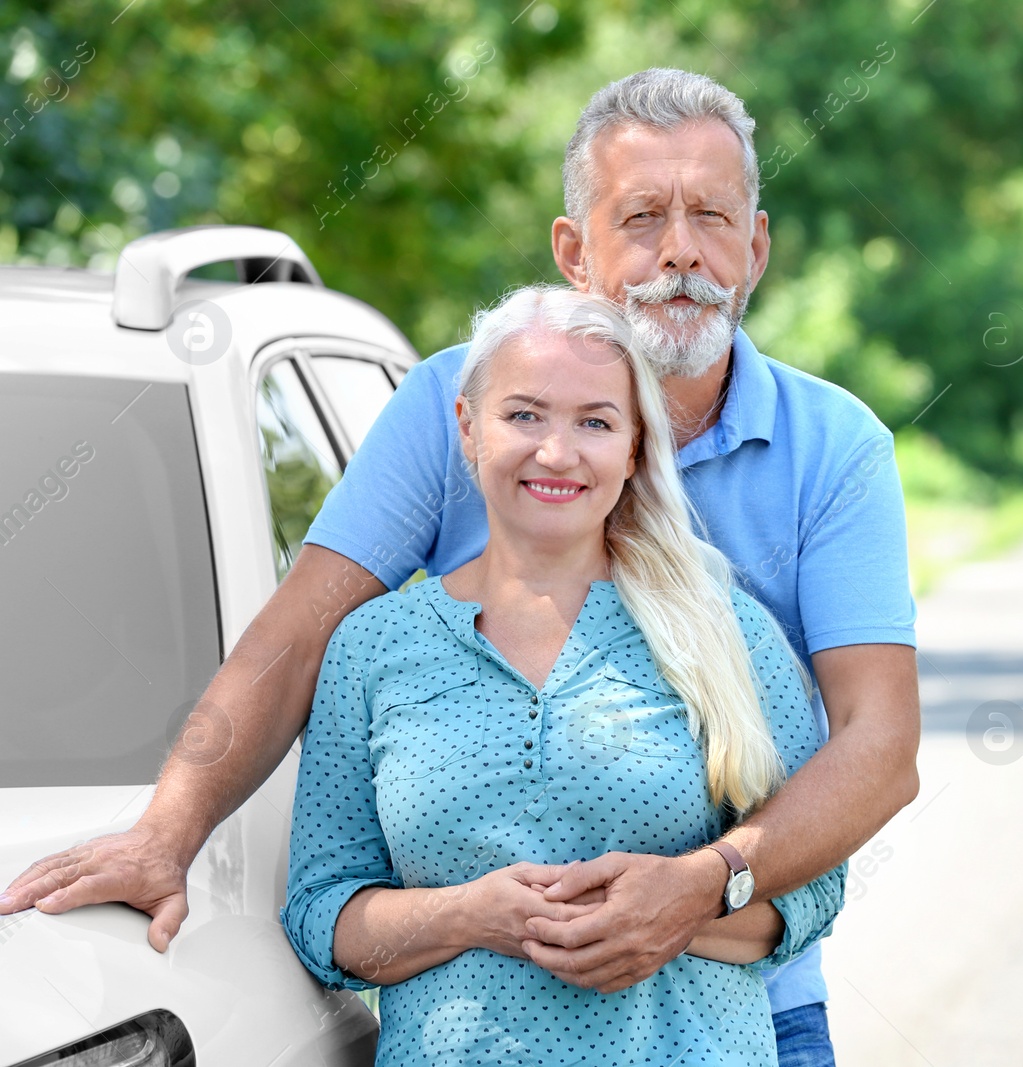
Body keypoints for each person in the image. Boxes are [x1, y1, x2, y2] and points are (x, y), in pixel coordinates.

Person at [2, 68, 920, 1065]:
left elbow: (878, 743)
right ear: (575, 250)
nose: (682, 250)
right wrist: (167, 832)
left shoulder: (832, 452)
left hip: (742, 999)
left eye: (711, 215)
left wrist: (707, 883)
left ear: (756, 244)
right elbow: (301, 633)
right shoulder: (457, 406)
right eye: (643, 216)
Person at [283, 285, 843, 1064]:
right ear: (468, 426)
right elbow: (320, 914)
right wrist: (470, 914)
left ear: (635, 447)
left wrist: (682, 904)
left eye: (595, 422)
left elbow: (815, 891)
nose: (556, 451)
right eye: (524, 414)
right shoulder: (372, 647)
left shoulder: (728, 631)